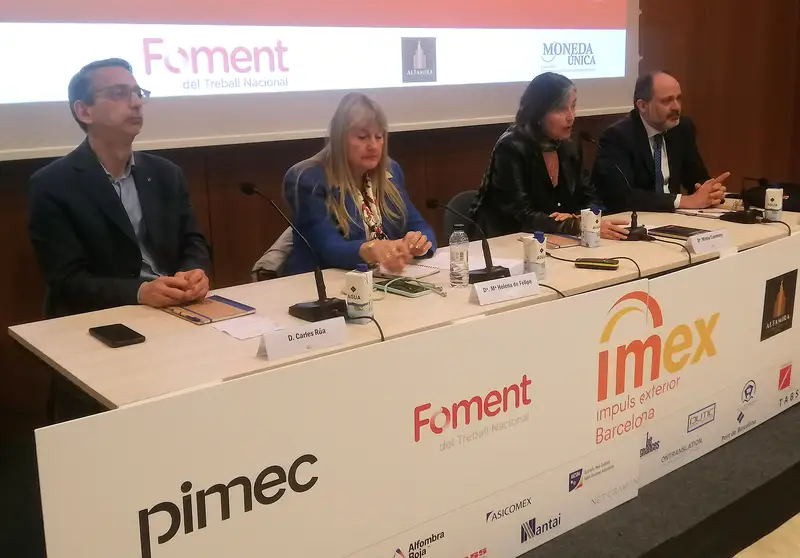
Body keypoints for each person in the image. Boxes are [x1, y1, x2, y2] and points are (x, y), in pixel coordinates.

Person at [28, 58, 212, 318]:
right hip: (104, 316)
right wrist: (139, 292)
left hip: (176, 306)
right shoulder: (52, 184)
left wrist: (194, 272)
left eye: (138, 93)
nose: (136, 103)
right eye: (119, 93)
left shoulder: (166, 173)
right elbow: (66, 279)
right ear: (84, 111)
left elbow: (193, 241)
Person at [283, 92, 436, 275]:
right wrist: (368, 250)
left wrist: (418, 243)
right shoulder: (308, 179)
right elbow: (327, 248)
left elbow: (420, 226)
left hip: (380, 279)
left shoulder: (390, 171)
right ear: (339, 139)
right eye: (362, 137)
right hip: (319, 282)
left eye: (378, 137)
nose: (373, 145)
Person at [469, 72, 629, 240]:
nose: (571, 117)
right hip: (508, 244)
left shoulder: (569, 146)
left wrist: (579, 218)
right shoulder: (511, 147)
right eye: (561, 109)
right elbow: (520, 216)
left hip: (559, 242)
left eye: (573, 106)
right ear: (538, 113)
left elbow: (593, 199)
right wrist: (573, 225)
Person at [593, 70, 730, 213]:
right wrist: (682, 201)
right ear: (643, 106)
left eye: (678, 99)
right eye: (667, 101)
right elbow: (621, 197)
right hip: (638, 218)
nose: (676, 107)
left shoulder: (682, 128)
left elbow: (696, 178)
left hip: (677, 216)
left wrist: (710, 190)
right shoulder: (617, 136)